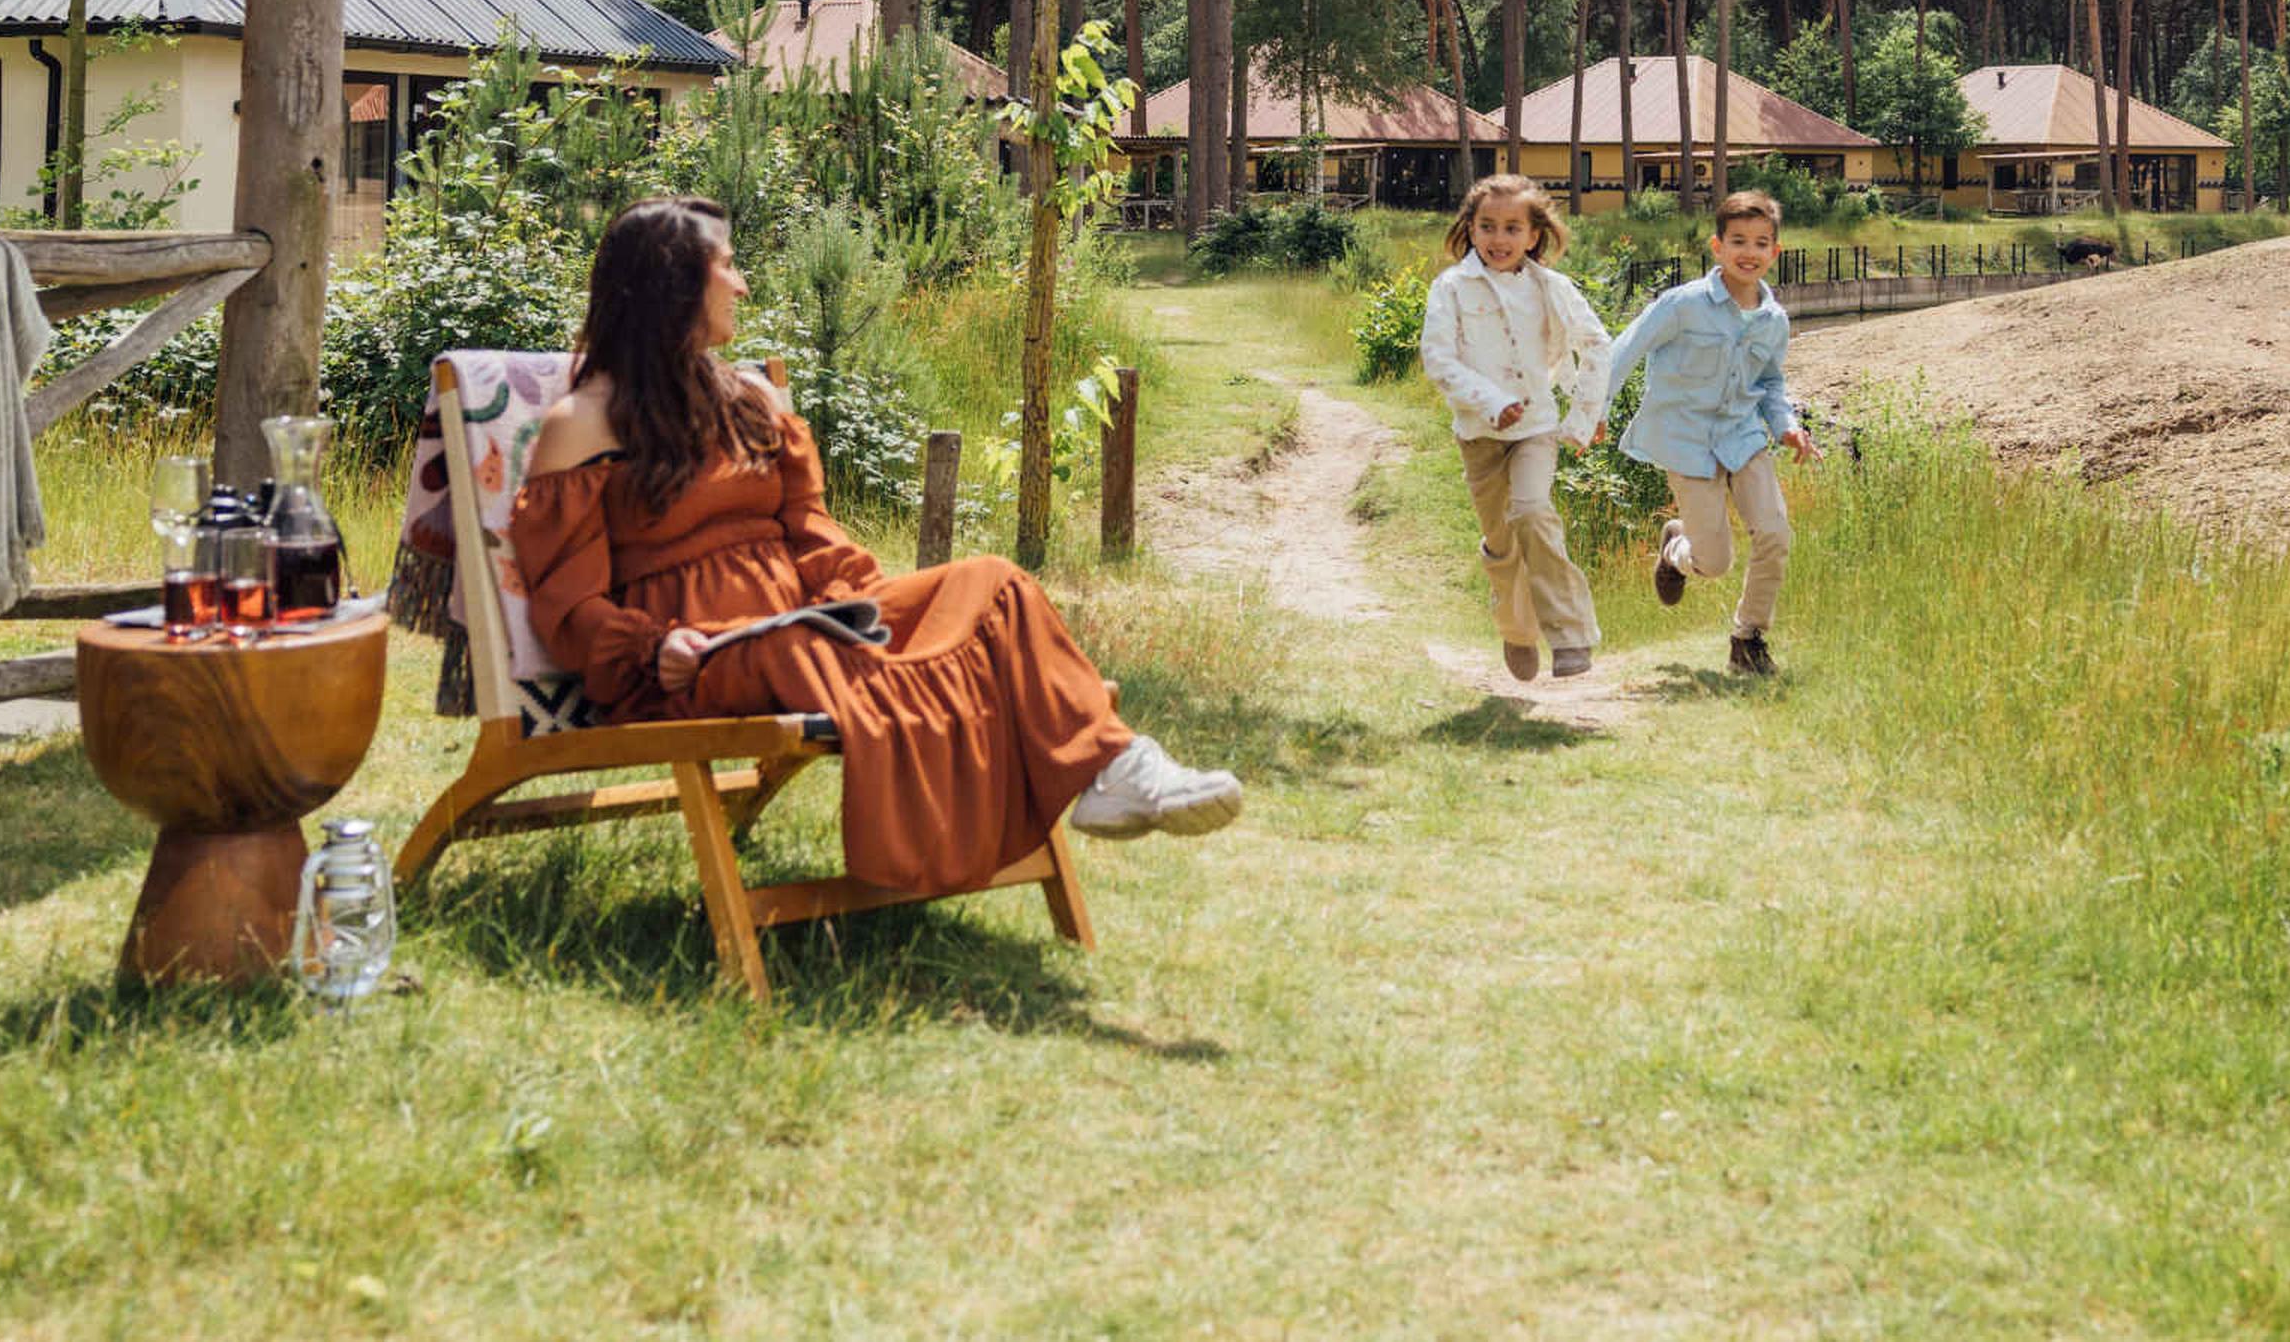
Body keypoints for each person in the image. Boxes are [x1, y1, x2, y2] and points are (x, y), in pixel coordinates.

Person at [508, 196, 1239, 899]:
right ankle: (1074, 770)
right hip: (696, 661)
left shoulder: (750, 400)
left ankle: (1116, 766)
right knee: (800, 645)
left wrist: (861, 604)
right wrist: (652, 646)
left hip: (807, 627)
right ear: (672, 285)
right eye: (726, 265)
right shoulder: (584, 422)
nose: (742, 283)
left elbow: (812, 533)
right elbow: (566, 601)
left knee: (994, 583)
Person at [1597, 188, 1817, 677]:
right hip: (1687, 442)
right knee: (1714, 563)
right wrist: (1597, 408)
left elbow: (1770, 383)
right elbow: (1625, 349)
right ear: (1717, 247)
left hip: (1743, 438)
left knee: (1775, 532)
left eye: (1761, 243)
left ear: (1775, 252)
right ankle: (1675, 548)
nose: (1749, 252)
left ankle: (1748, 639)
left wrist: (1787, 426)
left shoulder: (1774, 321)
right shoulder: (1683, 305)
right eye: (1738, 241)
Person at [1417, 172, 1614, 682]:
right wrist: (1491, 401)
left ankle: (1569, 634)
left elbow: (1597, 345)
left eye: (1512, 228)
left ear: (1533, 235)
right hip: (1478, 434)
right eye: (1487, 227)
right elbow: (1438, 359)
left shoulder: (1553, 288)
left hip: (1536, 427)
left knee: (1531, 511)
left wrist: (1584, 415)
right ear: (1470, 229)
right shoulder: (1451, 288)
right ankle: (1516, 628)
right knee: (1502, 544)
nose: (1498, 239)